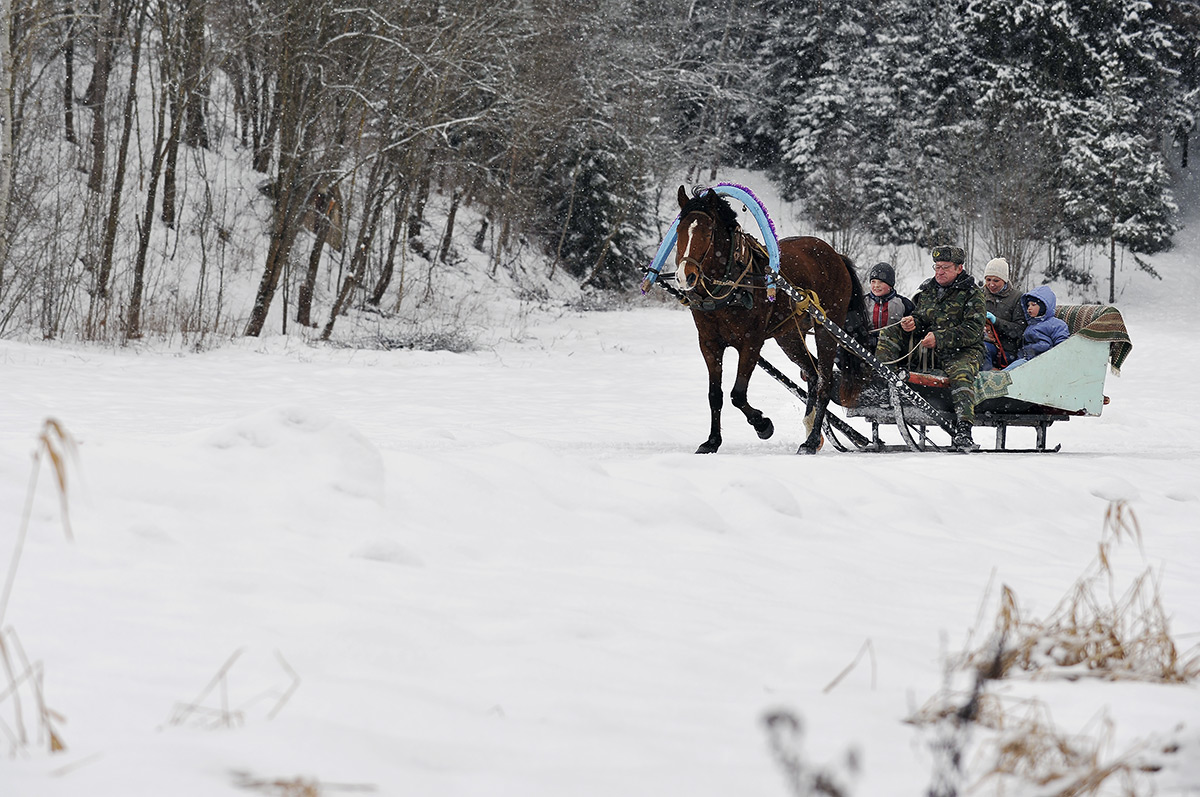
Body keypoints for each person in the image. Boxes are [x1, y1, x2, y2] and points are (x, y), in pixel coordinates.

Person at [876, 245, 986, 452]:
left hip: (964, 350)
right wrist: (912, 323)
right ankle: (883, 384)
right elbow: (922, 317)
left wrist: (940, 338)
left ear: (959, 268)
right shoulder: (927, 289)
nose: (939, 272)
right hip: (928, 347)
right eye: (936, 267)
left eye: (945, 267)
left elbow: (973, 330)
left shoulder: (973, 294)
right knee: (891, 331)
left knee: (961, 373)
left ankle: (964, 429)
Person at [1004, 285, 1070, 369]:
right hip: (1026, 361)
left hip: (1044, 362)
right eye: (1028, 305)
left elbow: (1063, 346)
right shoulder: (1030, 325)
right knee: (1015, 367)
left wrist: (1048, 357)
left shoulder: (1057, 324)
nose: (1029, 308)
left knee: (1012, 371)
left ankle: (998, 379)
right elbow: (1023, 347)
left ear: (1044, 306)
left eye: (1033, 305)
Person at [980, 257, 1026, 370]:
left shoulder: (1017, 298)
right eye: (988, 280)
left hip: (1005, 350)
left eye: (996, 281)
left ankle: (988, 381)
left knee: (980, 349)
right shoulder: (979, 295)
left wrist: (996, 322)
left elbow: (1019, 330)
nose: (991, 284)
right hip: (981, 340)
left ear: (1004, 280)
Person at [863, 262, 914, 353]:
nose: (876, 286)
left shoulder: (903, 303)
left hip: (893, 348)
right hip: (867, 346)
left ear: (890, 285)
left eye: (881, 282)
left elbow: (915, 322)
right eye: (873, 281)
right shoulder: (864, 302)